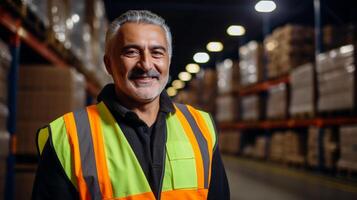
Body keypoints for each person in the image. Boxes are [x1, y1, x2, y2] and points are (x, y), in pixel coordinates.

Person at [32, 10, 229, 200]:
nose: (146, 65)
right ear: (109, 64)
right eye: (131, 52)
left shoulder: (201, 127)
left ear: (168, 62)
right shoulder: (67, 137)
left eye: (157, 53)